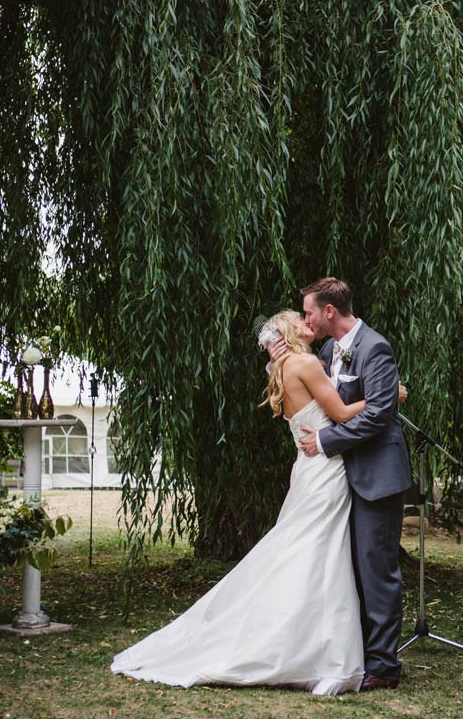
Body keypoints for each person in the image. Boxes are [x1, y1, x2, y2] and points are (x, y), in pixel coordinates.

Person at [111, 310, 367, 695]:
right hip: (325, 471)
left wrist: (270, 349)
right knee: (321, 554)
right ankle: (324, 656)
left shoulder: (280, 368)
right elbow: (343, 413)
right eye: (298, 317)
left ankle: (313, 652)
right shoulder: (307, 363)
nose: (305, 320)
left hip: (308, 470)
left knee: (310, 553)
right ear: (287, 331)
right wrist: (385, 397)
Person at [297, 277, 412, 691]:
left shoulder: (375, 347)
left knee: (376, 569)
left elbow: (379, 414)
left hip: (378, 476)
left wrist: (325, 441)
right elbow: (326, 399)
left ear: (330, 312)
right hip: (344, 479)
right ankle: (360, 653)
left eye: (310, 311)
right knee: (351, 569)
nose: (306, 318)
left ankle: (383, 667)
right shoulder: (328, 350)